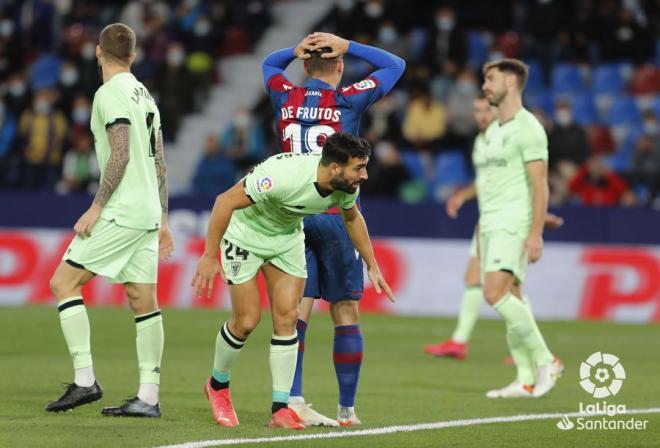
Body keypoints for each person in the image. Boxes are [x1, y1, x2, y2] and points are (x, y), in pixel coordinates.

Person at [193, 132, 395, 429]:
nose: (363, 175)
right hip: (245, 236)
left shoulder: (345, 185)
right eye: (358, 168)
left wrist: (372, 263)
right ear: (335, 168)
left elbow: (351, 218)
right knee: (246, 321)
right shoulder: (282, 177)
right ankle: (218, 386)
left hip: (286, 240)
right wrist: (210, 256)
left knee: (288, 318)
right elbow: (224, 202)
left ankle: (280, 409)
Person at [261, 32, 404, 426]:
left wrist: (293, 50)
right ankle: (346, 410)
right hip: (337, 215)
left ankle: (293, 399)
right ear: (339, 65)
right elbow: (395, 65)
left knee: (295, 313)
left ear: (305, 66)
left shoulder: (285, 94)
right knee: (345, 311)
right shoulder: (348, 98)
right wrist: (350, 44)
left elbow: (269, 65)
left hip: (292, 216)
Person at [45, 23, 173, 417]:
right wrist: (163, 217)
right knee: (142, 300)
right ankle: (148, 397)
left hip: (122, 210)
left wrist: (97, 206)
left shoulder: (110, 93)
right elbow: (159, 161)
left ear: (98, 53)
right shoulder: (144, 95)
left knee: (63, 283)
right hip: (147, 210)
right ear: (133, 56)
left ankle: (85, 381)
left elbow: (121, 153)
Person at [424, 95, 564, 361]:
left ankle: (532, 351)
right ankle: (463, 342)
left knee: (510, 288)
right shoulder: (481, 141)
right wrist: (462, 196)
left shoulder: (512, 138)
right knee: (478, 279)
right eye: (476, 110)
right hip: (488, 219)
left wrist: (539, 219)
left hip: (509, 219)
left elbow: (530, 182)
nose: (481, 115)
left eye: (486, 110)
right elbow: (486, 182)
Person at [476, 59, 563, 398]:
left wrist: (536, 231)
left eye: (490, 78)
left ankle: (547, 360)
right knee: (512, 296)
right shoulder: (493, 131)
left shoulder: (529, 127)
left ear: (511, 82)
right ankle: (525, 378)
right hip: (490, 223)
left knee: (493, 293)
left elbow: (539, 184)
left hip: (513, 223)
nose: (485, 85)